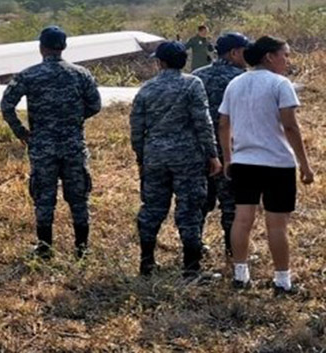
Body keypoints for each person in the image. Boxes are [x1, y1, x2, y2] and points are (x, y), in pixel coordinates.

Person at [219, 36, 314, 294]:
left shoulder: (235, 84)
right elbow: (291, 126)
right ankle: (282, 280)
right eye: (285, 55)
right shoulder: (280, 84)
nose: (288, 60)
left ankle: (241, 275)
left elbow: (224, 123)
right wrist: (305, 164)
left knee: (242, 219)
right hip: (277, 163)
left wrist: (229, 158)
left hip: (244, 161)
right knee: (277, 224)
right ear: (269, 57)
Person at [0, 26, 101, 259]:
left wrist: (21, 132)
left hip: (42, 146)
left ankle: (45, 249)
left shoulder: (29, 75)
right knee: (78, 198)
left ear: (41, 47)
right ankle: (82, 249)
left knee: (44, 198)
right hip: (73, 145)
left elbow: (6, 105)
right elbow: (95, 105)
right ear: (63, 47)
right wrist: (74, 118)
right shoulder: (81, 74)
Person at [130, 41, 222, 279]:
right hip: (188, 158)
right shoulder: (192, 84)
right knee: (189, 210)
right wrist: (212, 154)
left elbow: (136, 129)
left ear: (161, 63)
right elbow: (203, 122)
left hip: (155, 157)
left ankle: (147, 264)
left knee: (152, 209)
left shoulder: (146, 90)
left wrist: (142, 157)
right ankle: (191, 269)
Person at [192, 32, 250, 257]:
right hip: (231, 150)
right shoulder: (240, 79)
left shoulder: (197, 76)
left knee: (200, 201)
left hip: (200, 150)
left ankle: (195, 246)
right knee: (231, 203)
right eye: (245, 52)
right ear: (234, 52)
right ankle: (232, 251)